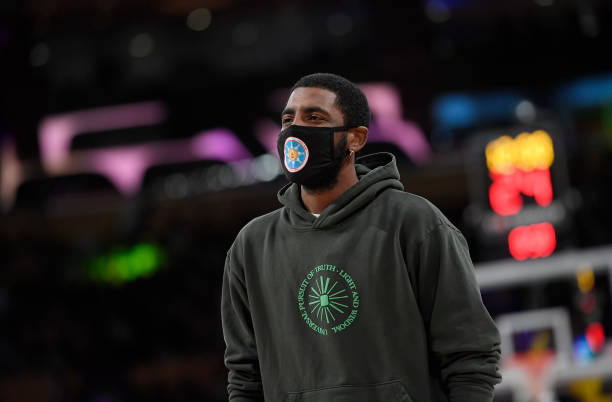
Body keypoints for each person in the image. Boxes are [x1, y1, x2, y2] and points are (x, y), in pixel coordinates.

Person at [221, 73, 501, 402]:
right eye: (288, 119)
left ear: (356, 138)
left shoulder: (415, 223)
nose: (295, 130)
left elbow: (471, 357)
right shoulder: (251, 246)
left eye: (314, 117)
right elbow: (245, 379)